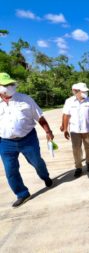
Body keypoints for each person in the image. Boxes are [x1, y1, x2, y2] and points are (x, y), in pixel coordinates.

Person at [0, 73, 54, 208]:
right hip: (5, 143)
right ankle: (22, 194)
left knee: (37, 162)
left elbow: (39, 117)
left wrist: (48, 131)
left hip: (28, 139)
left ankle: (45, 176)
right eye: (6, 85)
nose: (10, 87)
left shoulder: (25, 99)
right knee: (10, 170)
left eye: (11, 84)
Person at [62, 83, 89, 177]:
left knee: (88, 147)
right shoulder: (69, 101)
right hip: (74, 130)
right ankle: (78, 167)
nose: (85, 93)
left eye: (86, 91)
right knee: (76, 149)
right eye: (83, 91)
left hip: (87, 129)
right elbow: (66, 115)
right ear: (76, 91)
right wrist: (65, 129)